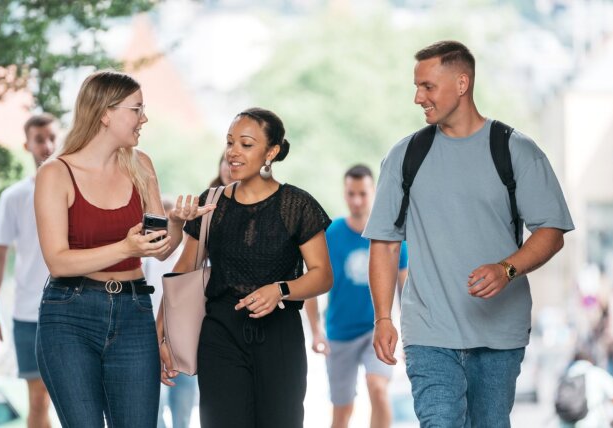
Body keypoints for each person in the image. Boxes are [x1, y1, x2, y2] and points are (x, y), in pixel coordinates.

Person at [363, 40, 575, 426]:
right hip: (429, 333)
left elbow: (552, 230)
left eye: (428, 86)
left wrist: (506, 269)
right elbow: (386, 243)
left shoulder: (517, 151)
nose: (417, 97)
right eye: (416, 86)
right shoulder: (404, 157)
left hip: (499, 335)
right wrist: (382, 318)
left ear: (462, 83)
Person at [33, 70, 212, 428]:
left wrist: (177, 223)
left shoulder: (140, 165)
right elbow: (58, 261)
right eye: (136, 109)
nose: (144, 118)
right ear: (105, 113)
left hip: (133, 312)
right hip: (70, 315)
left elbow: (159, 250)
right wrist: (124, 246)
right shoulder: (56, 173)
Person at [158, 107, 333, 428]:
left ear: (272, 151)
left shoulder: (298, 204)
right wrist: (161, 334)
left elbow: (322, 275)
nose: (233, 152)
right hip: (220, 336)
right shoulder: (211, 203)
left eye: (246, 144)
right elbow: (183, 271)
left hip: (280, 337)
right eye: (230, 142)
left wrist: (281, 289)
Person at [304, 164, 408, 428]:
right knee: (342, 410)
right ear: (344, 193)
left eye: (363, 193)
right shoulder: (331, 234)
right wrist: (315, 331)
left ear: (373, 192)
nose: (357, 200)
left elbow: (405, 289)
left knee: (379, 390)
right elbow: (312, 285)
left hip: (376, 331)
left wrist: (409, 333)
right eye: (351, 193)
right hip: (339, 333)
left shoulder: (391, 235)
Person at [0, 113, 57, 428]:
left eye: (52, 137)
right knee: (38, 399)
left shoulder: (78, 192)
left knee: (75, 398)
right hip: (28, 314)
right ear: (27, 144)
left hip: (73, 308)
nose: (48, 145)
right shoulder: (13, 197)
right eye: (40, 139)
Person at [145, 197, 198, 428]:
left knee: (183, 408)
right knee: (152, 407)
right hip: (152, 334)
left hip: (185, 339)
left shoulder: (192, 257)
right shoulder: (146, 260)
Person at [559, 350, 613, 428]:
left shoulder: (567, 375)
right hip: (591, 423)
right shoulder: (596, 373)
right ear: (590, 360)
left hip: (566, 423)